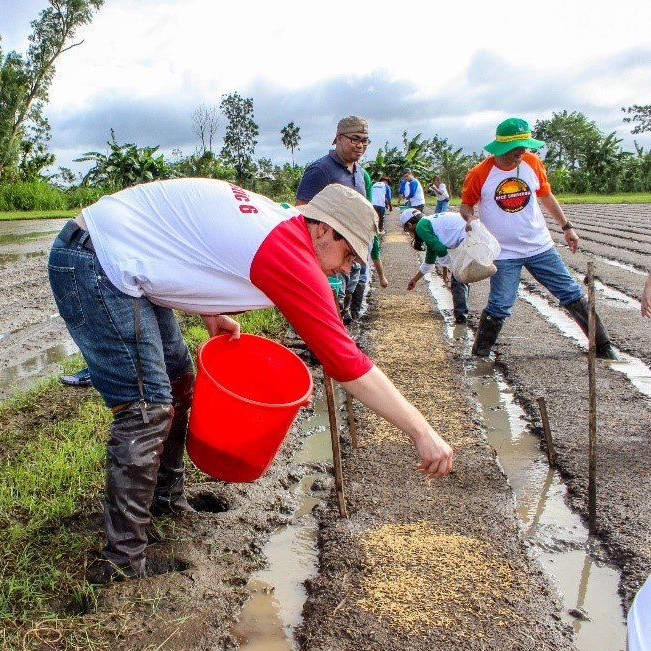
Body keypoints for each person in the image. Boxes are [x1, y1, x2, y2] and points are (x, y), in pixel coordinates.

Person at [48, 178, 454, 582]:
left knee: (177, 382)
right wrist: (420, 431)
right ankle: (121, 563)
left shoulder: (280, 222)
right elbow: (346, 363)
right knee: (147, 408)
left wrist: (209, 307)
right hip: (94, 260)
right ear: (324, 229)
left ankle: (165, 500)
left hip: (116, 251)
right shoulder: (289, 251)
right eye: (348, 254)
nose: (347, 268)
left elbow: (197, 243)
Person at [459, 117, 616, 359]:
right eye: (517, 148)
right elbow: (466, 206)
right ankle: (480, 356)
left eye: (525, 147)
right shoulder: (480, 173)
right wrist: (471, 222)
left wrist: (567, 227)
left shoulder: (532, 163)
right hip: (504, 253)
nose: (522, 152)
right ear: (501, 148)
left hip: (539, 247)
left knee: (571, 293)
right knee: (500, 305)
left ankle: (603, 347)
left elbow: (546, 196)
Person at [296, 115, 386, 323]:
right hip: (330, 255)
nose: (360, 145)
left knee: (346, 303)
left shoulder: (362, 174)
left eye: (365, 140)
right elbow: (302, 214)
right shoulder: (320, 170)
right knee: (326, 309)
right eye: (355, 139)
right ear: (337, 139)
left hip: (352, 255)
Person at [400, 208, 470, 323]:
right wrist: (415, 280)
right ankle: (461, 312)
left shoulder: (420, 227)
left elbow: (440, 249)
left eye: (406, 229)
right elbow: (430, 260)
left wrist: (445, 269)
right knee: (462, 276)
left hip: (467, 234)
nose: (409, 233)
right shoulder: (427, 224)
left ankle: (461, 319)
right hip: (468, 232)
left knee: (457, 279)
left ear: (410, 225)